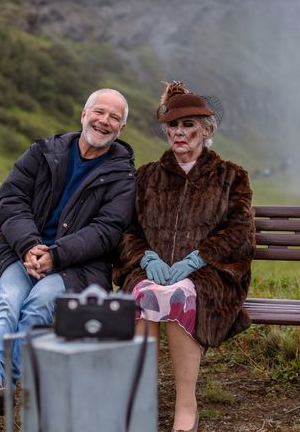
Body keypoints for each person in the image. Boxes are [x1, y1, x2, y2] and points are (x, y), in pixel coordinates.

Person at [0, 88, 136, 427]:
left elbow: (107, 231)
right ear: (83, 114)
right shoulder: (44, 152)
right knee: (8, 302)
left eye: (114, 118)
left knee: (38, 305)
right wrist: (29, 244)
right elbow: (11, 198)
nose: (104, 121)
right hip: (21, 255)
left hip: (75, 269)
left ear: (121, 127)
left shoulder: (122, 175)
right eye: (99, 112)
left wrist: (56, 256)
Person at [113, 81, 254, 432]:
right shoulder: (147, 176)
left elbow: (239, 232)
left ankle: (185, 407)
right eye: (173, 126)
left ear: (206, 130)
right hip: (152, 270)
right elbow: (128, 230)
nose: (180, 132)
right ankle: (141, 401)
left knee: (178, 297)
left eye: (188, 125)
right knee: (142, 296)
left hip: (212, 274)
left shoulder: (231, 176)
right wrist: (147, 259)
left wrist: (195, 260)